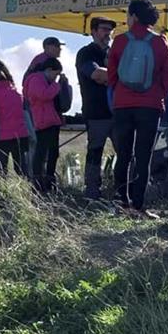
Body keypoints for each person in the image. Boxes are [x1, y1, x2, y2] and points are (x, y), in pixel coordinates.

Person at [107, 0, 168, 218]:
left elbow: (111, 73)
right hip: (150, 105)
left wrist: (119, 89)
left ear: (134, 16)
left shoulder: (119, 41)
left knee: (123, 154)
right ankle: (138, 205)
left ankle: (121, 202)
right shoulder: (159, 41)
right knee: (143, 155)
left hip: (123, 104)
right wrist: (157, 92)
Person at [75, 16, 118, 200]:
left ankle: (123, 190)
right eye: (103, 29)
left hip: (118, 111)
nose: (107, 33)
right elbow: (96, 75)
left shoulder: (115, 53)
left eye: (110, 29)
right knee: (95, 152)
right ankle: (92, 192)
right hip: (96, 112)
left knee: (125, 152)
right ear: (93, 31)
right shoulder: (86, 53)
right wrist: (125, 78)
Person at [24, 57, 66, 193]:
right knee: (41, 154)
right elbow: (44, 95)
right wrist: (57, 85)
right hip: (43, 121)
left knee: (53, 152)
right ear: (48, 70)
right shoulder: (36, 80)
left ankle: (48, 181)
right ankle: (38, 183)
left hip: (50, 120)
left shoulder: (43, 80)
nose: (56, 77)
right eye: (56, 74)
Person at [0, 61, 31, 178]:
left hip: (0, 138)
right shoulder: (17, 93)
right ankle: (30, 191)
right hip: (21, 135)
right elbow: (26, 114)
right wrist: (31, 134)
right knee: (23, 169)